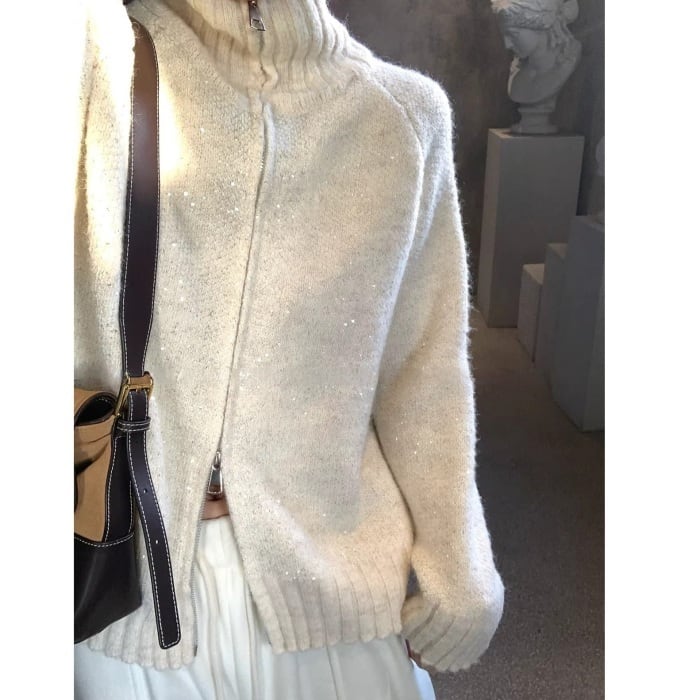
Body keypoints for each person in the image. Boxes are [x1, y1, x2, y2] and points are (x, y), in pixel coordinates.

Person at [73, 0, 506, 697]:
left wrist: (460, 560)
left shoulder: (402, 117)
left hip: (335, 579)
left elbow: (422, 372)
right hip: (117, 576)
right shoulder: (88, 64)